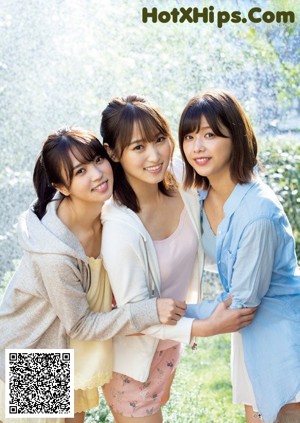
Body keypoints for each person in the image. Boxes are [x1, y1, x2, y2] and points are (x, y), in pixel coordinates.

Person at [0, 128, 187, 423]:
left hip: (70, 352)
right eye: (80, 171)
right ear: (62, 185)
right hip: (35, 353)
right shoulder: (55, 253)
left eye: (98, 160)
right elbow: (82, 325)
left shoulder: (107, 214)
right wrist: (148, 311)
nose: (97, 174)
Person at [99, 95, 257, 423]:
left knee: (61, 414)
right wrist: (205, 327)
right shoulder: (114, 225)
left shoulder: (176, 180)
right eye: (138, 147)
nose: (155, 155)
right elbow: (138, 313)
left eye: (160, 140)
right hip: (36, 338)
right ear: (113, 153)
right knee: (34, 415)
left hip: (150, 343)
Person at [178, 89, 300, 423]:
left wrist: (162, 313)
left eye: (210, 135)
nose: (197, 146)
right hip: (35, 339)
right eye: (189, 137)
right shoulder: (199, 196)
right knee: (56, 412)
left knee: (62, 410)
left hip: (277, 337)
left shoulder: (257, 211)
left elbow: (244, 302)